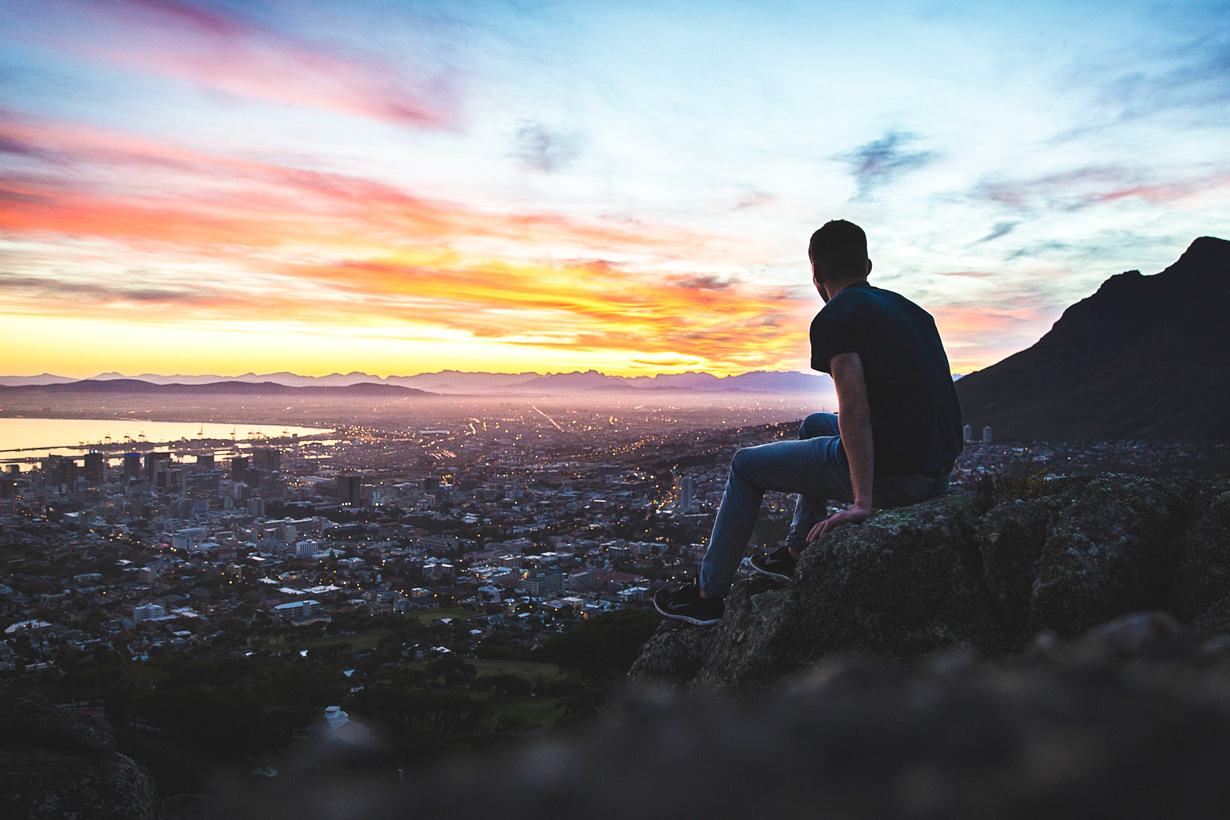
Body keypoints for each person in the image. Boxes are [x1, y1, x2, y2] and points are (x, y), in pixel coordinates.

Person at [654, 219, 963, 626]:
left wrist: (862, 503)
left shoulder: (837, 315)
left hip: (898, 475)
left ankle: (708, 595)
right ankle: (796, 552)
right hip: (935, 472)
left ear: (815, 276)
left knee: (745, 467)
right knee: (815, 424)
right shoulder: (913, 311)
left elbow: (854, 405)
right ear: (867, 266)